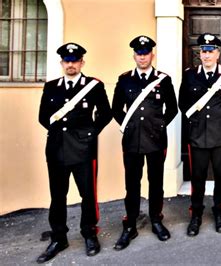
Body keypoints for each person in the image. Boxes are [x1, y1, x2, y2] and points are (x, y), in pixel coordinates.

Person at [37, 43, 112, 263]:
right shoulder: (51, 87)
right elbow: (43, 117)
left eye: (75, 60)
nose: (71, 64)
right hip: (57, 149)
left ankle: (89, 233)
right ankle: (59, 237)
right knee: (57, 196)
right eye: (67, 61)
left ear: (82, 63)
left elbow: (105, 114)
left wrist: (90, 133)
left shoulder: (93, 86)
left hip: (84, 150)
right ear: (62, 63)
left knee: (87, 194)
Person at [112, 35, 178, 249]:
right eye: (139, 54)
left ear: (152, 54)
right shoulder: (124, 80)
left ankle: (156, 220)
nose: (142, 57)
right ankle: (130, 224)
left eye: (146, 53)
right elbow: (115, 109)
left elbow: (173, 109)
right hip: (131, 141)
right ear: (134, 55)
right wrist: (127, 125)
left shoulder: (163, 80)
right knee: (132, 184)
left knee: (156, 183)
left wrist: (159, 126)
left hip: (156, 141)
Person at [178, 33, 221, 236]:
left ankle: (219, 210)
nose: (207, 55)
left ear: (218, 53)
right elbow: (182, 102)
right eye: (204, 51)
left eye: (211, 51)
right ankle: (196, 214)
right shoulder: (189, 75)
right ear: (200, 54)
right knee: (197, 176)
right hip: (198, 134)